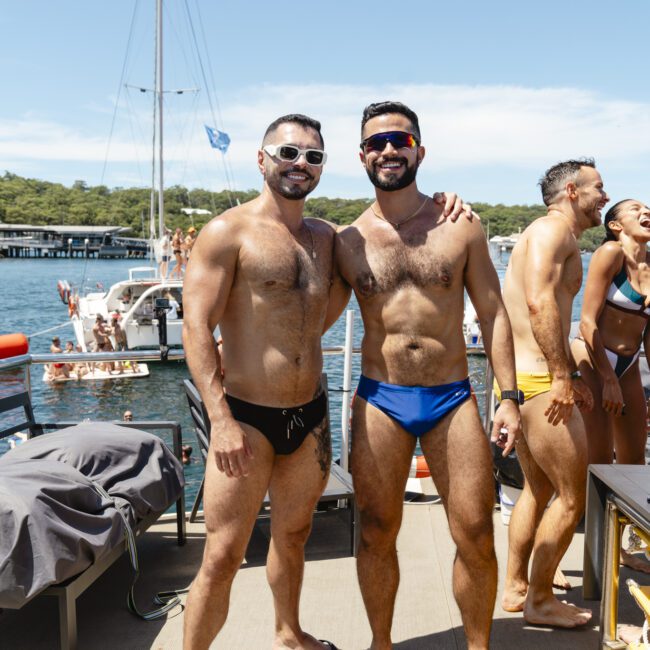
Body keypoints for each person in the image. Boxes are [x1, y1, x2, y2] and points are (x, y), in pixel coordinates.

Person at [181, 112, 472, 650]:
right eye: (288, 153)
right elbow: (195, 326)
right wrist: (219, 419)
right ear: (262, 158)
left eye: (313, 157)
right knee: (221, 555)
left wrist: (447, 202)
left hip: (308, 416)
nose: (300, 165)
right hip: (244, 416)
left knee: (293, 536)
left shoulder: (327, 240)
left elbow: (386, 260)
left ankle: (289, 633)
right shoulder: (227, 232)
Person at [326, 101, 522, 650]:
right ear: (362, 156)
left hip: (452, 396)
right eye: (376, 143)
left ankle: (478, 646)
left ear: (419, 149)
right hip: (379, 397)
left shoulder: (460, 224)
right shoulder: (346, 240)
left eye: (400, 139)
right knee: (376, 531)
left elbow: (493, 313)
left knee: (476, 533)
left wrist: (509, 397)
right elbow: (305, 314)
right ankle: (381, 644)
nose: (389, 149)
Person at [500, 158, 607, 627]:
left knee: (537, 489)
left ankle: (517, 585)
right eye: (598, 188)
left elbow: (549, 314)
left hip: (529, 379)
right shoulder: (553, 233)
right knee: (570, 496)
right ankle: (540, 602)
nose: (603, 196)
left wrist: (572, 375)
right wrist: (563, 377)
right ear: (571, 190)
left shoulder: (548, 234)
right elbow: (539, 302)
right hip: (542, 383)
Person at [571, 199, 650, 573]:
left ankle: (624, 549)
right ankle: (577, 560)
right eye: (635, 209)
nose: (645, 211)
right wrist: (606, 379)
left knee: (634, 462)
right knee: (595, 464)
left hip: (629, 364)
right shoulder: (609, 253)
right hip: (593, 358)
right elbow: (587, 322)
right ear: (616, 225)